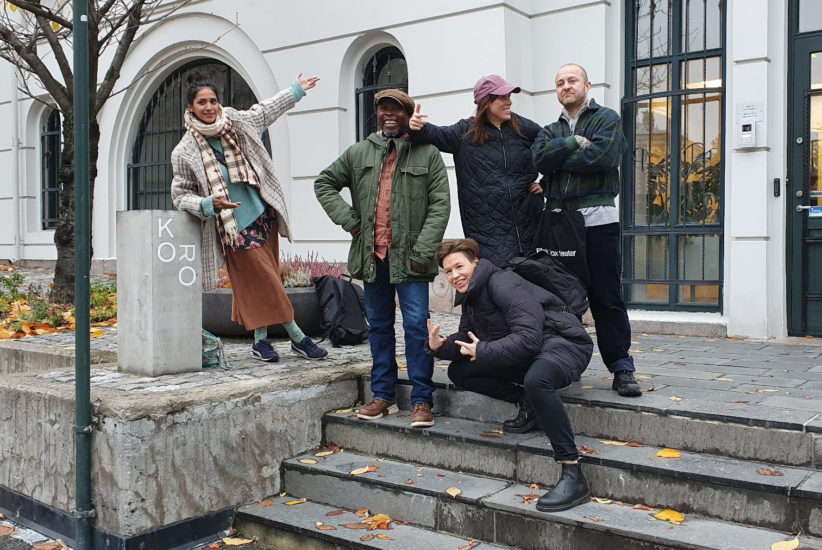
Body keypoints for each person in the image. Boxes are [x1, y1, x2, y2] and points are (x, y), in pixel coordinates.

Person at [314, 89, 450, 428]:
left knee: (417, 327)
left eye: (396, 110)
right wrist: (350, 220)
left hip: (411, 259)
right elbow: (324, 183)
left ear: (408, 114)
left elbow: (440, 205)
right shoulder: (359, 152)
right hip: (372, 256)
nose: (389, 115)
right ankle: (383, 396)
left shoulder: (428, 153)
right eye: (383, 110)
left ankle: (421, 400)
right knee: (379, 327)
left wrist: (422, 250)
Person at [427, 238, 593, 512]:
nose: (455, 275)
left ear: (475, 263)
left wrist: (485, 349)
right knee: (460, 371)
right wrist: (439, 346)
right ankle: (528, 402)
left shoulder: (502, 283)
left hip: (563, 343)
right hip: (530, 349)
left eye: (459, 266)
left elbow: (529, 337)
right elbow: (468, 336)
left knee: (537, 379)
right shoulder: (471, 294)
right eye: (448, 271)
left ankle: (573, 472)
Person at [171, 73, 328, 363]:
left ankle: (260, 341)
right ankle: (298, 337)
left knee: (258, 283)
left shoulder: (234, 121)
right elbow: (180, 195)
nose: (209, 107)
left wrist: (295, 90)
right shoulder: (184, 151)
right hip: (231, 227)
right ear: (190, 107)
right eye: (201, 102)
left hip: (261, 212)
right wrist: (207, 203)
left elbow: (264, 111)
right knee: (267, 281)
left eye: (213, 101)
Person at [531, 63, 641, 397]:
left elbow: (605, 157)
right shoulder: (551, 130)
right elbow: (538, 159)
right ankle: (566, 365)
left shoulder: (606, 118)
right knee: (563, 300)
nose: (566, 86)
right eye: (560, 82)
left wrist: (557, 163)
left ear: (587, 85)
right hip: (561, 224)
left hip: (599, 222)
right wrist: (571, 144)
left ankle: (622, 368)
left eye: (572, 80)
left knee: (607, 298)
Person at [408, 74, 543, 267]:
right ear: (487, 102)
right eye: (503, 97)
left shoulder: (523, 127)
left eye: (509, 96)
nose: (509, 102)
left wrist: (544, 185)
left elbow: (552, 150)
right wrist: (415, 127)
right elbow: (431, 133)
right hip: (486, 233)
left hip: (529, 226)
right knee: (498, 286)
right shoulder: (464, 132)